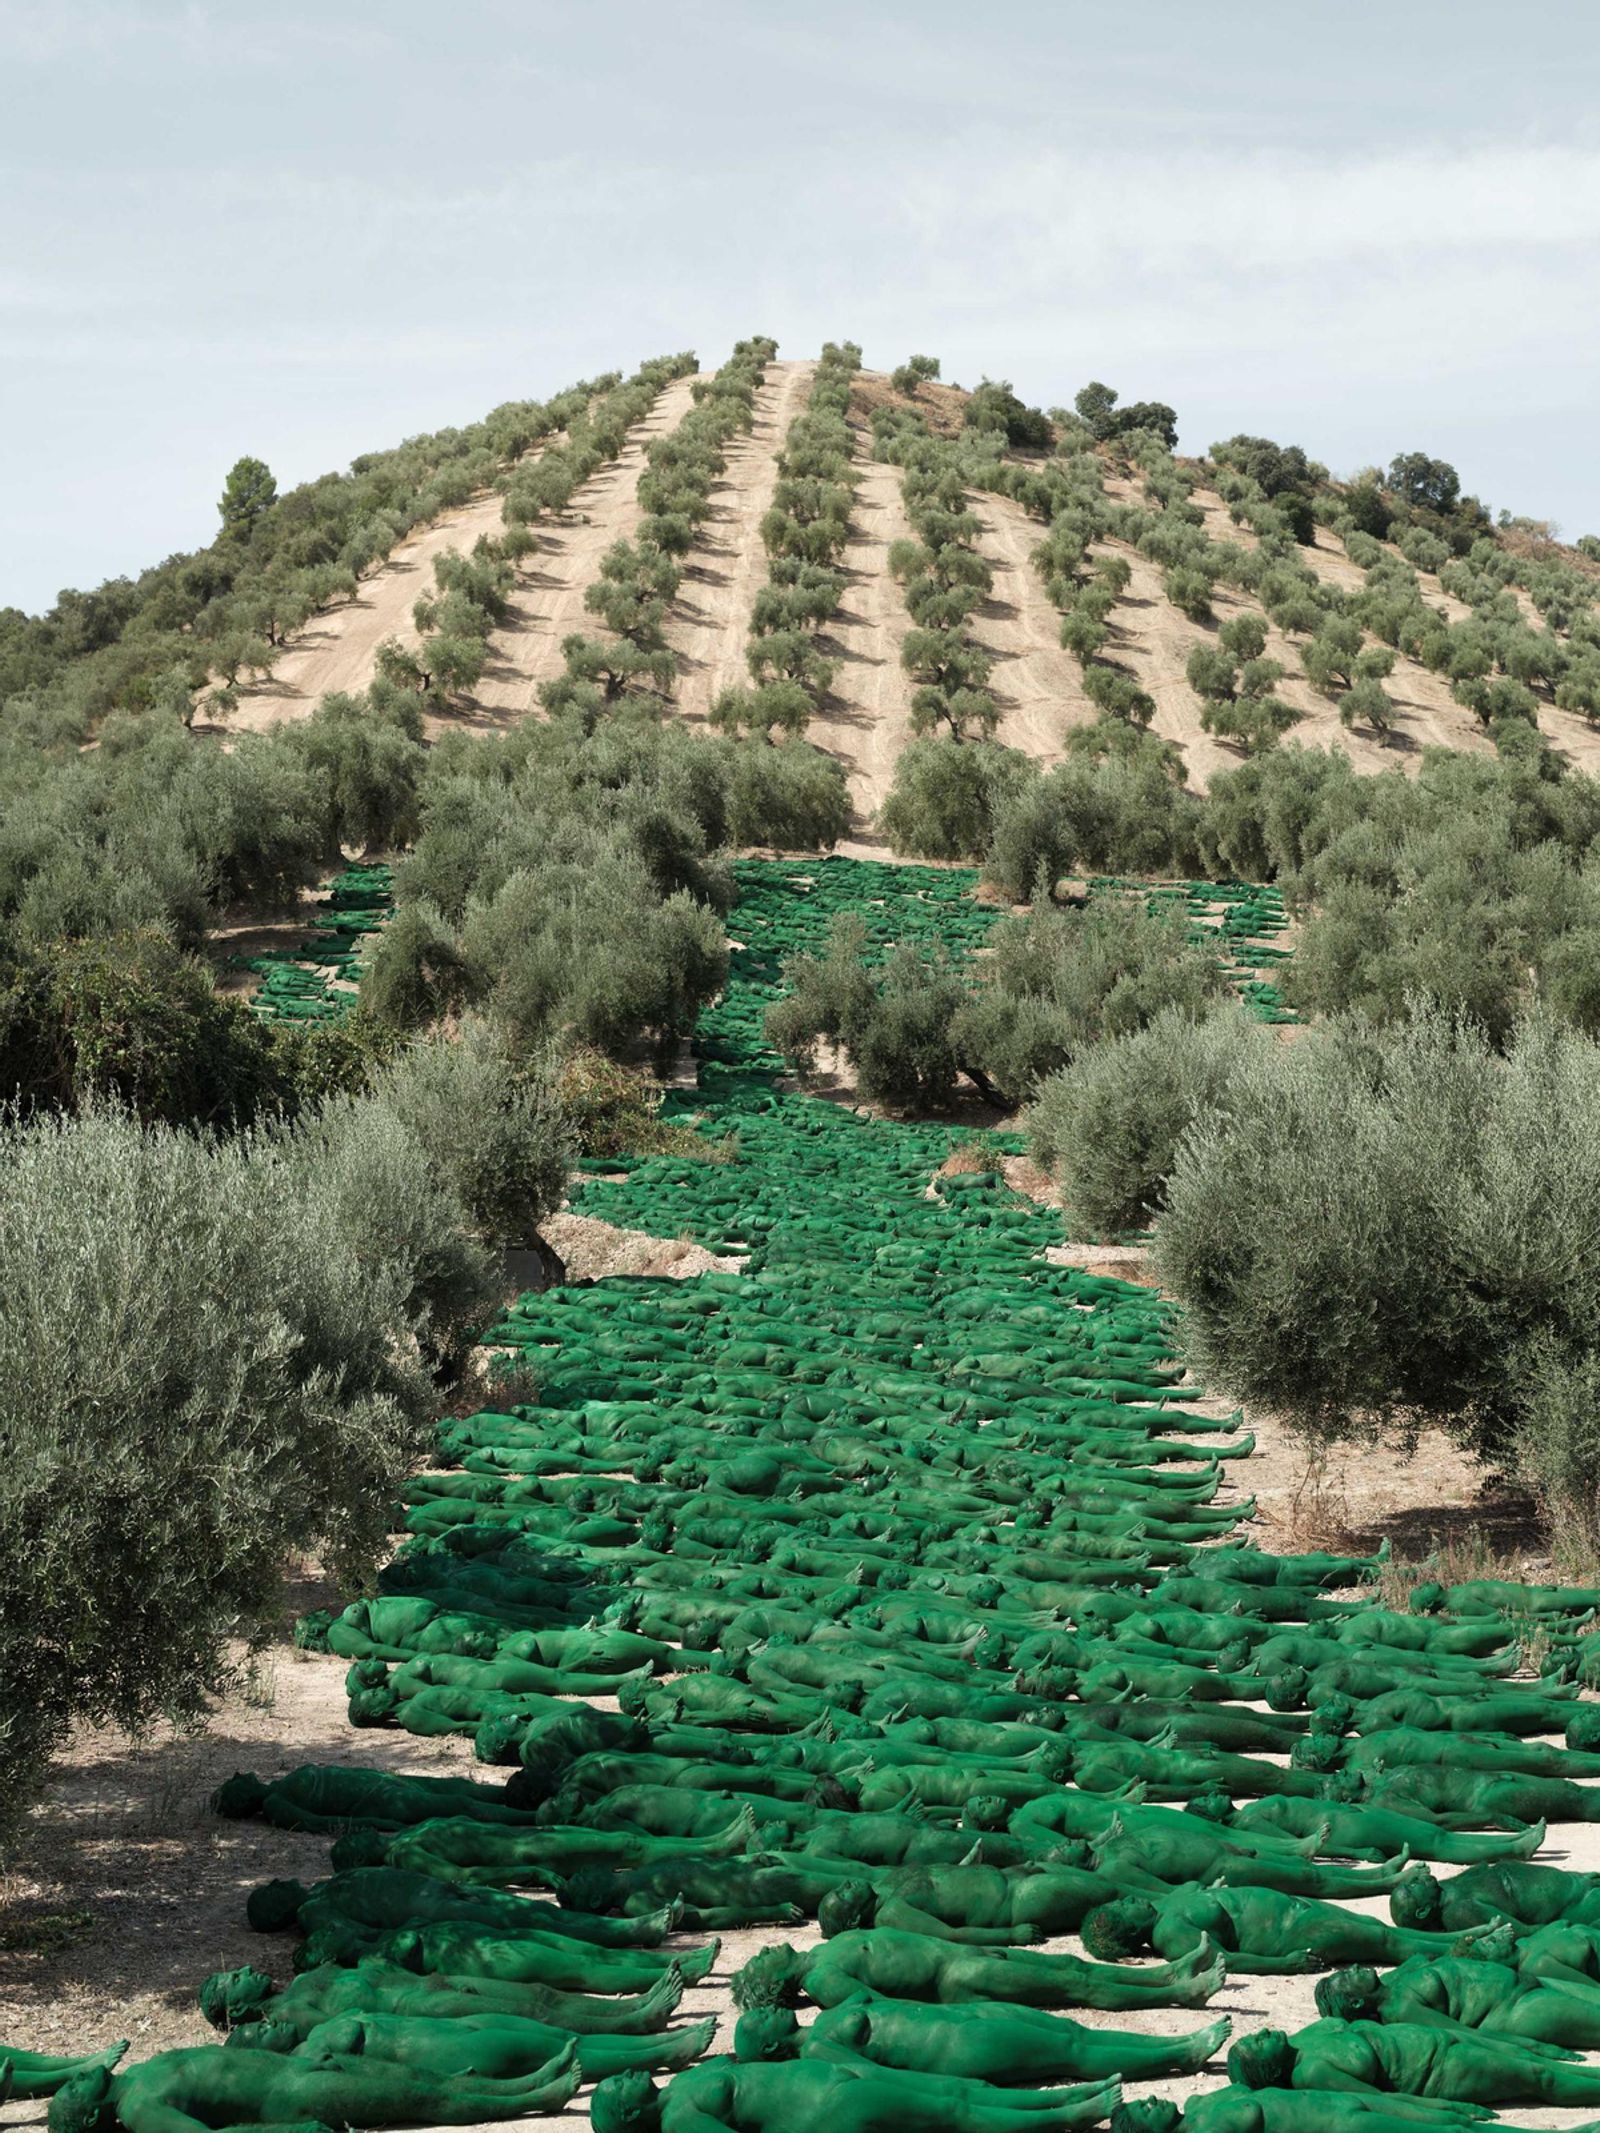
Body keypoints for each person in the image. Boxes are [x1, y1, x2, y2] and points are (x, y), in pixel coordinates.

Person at [46, 2040, 577, 2133]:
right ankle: (535, 2101)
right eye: (70, 2094)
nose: (71, 2084)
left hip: (299, 2066)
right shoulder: (141, 2110)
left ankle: (524, 2082)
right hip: (294, 2098)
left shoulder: (134, 2076)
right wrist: (294, 2130)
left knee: (426, 2078)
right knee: (424, 2101)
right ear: (91, 2117)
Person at [735, 1996, 1230, 2085]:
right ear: (774, 2048)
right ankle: (1180, 2056)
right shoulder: (819, 2050)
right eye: (760, 2021)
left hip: (964, 2020)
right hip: (958, 2049)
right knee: (1072, 2054)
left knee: (1073, 2033)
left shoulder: (822, 2022)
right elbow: (879, 2077)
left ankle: (1176, 2045)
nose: (765, 2011)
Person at [732, 1928, 1225, 2014]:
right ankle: (1178, 1995)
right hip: (959, 1980)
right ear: (774, 1983)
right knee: (1074, 1987)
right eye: (758, 1962)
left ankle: (1166, 1974)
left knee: (1070, 1964)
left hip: (960, 1954)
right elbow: (880, 2007)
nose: (761, 1950)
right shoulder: (822, 1982)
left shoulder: (822, 1953)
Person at [590, 2060, 1117, 2133]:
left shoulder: (678, 2086)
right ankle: (1073, 2114)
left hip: (839, 2084)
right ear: (629, 2112)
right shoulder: (681, 2119)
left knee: (963, 2093)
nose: (625, 2074)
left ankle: (1073, 2096)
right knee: (956, 2115)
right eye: (617, 2085)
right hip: (832, 2110)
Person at [1229, 2018, 1600, 2109]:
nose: (1261, 2031)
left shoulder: (1302, 2039)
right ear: (1271, 2071)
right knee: (1539, 2078)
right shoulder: (1313, 2072)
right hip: (1438, 2073)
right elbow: (1383, 2102)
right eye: (1256, 2045)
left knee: (1529, 2059)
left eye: (1253, 2034)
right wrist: (1443, 2107)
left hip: (1438, 2041)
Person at [1317, 1956, 1600, 2047]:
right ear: (1356, 2003)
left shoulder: (1393, 1982)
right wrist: (1531, 2048)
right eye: (1348, 1975)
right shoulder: (1400, 2010)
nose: (1353, 1966)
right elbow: (1466, 2035)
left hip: (1527, 1985)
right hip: (1518, 2010)